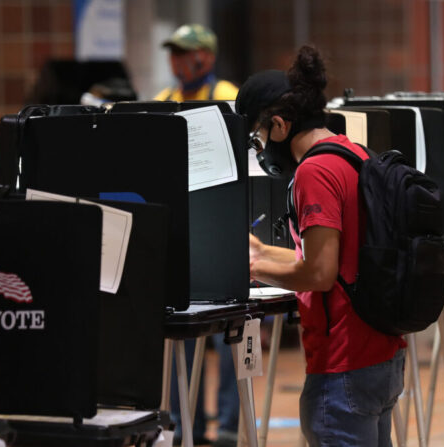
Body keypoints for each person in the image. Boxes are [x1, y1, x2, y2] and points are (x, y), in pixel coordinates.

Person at [236, 46, 406, 447]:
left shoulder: (314, 170)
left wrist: (253, 269)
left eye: (257, 137)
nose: (260, 150)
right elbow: (337, 256)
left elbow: (319, 272)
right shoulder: (352, 154)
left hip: (342, 364)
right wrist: (260, 253)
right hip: (381, 354)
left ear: (278, 125)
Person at [157, 23, 239, 447]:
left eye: (184, 53)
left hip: (220, 230)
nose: (176, 61)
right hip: (178, 231)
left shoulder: (228, 95)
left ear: (205, 57)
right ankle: (181, 422)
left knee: (228, 337)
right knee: (178, 332)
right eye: (172, 52)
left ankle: (227, 426)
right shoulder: (161, 102)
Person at [155, 24, 238, 101]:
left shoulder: (227, 97)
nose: (177, 59)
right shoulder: (163, 100)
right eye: (174, 52)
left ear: (209, 57)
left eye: (184, 51)